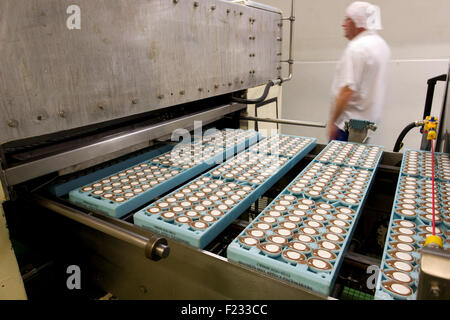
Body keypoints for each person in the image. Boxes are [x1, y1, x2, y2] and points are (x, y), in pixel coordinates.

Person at [327, 1, 391, 142]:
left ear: (358, 22)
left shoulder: (357, 48)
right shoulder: (381, 46)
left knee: (339, 163)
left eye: (347, 19)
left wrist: (332, 122)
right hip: (366, 128)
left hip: (347, 128)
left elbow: (347, 91)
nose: (343, 24)